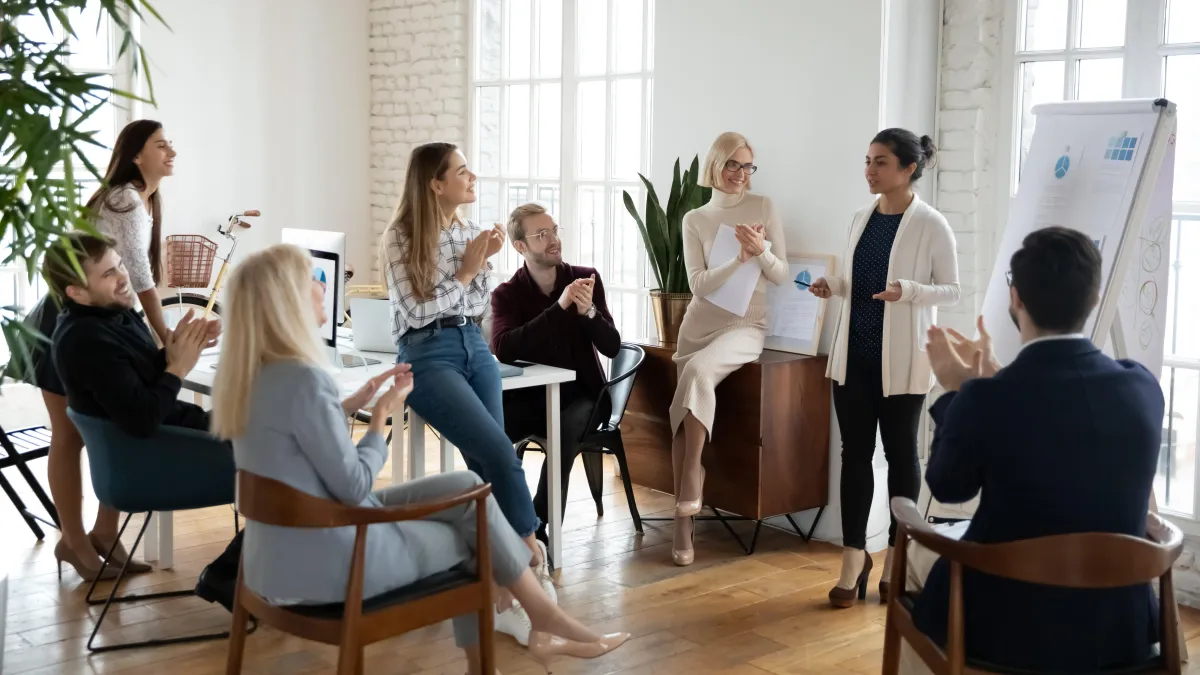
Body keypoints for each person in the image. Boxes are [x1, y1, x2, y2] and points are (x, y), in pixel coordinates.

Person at [212, 244, 628, 675]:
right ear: (287, 302)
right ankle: (515, 642)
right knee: (477, 533)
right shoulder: (304, 379)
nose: (324, 287)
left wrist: (346, 404)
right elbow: (354, 486)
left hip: (272, 561)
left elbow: (293, 440)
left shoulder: (251, 376)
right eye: (313, 281)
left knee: (469, 487)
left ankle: (535, 622)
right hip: (335, 561)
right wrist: (379, 418)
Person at [907, 226, 1161, 673]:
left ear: (1016, 298)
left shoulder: (987, 400)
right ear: (1095, 297)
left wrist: (955, 393)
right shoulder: (1142, 386)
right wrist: (983, 387)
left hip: (1006, 630)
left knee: (911, 558)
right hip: (1121, 630)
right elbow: (1061, 416)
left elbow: (947, 486)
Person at [379, 141, 551, 643]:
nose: (472, 176)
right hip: (426, 354)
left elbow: (475, 304)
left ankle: (501, 597)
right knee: (498, 452)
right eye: (461, 171)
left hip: (474, 346)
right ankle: (530, 556)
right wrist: (469, 270)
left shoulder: (468, 232)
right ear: (435, 184)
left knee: (487, 464)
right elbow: (415, 311)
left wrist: (474, 269)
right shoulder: (400, 237)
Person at [19, 119, 183, 582]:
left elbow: (136, 275)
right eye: (161, 145)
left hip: (98, 319)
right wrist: (163, 335)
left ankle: (104, 533)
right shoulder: (125, 199)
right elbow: (140, 277)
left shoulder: (142, 200)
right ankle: (73, 541)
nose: (171, 152)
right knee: (70, 435)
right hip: (68, 321)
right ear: (136, 155)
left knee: (106, 428)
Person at [807, 128, 959, 607]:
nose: (869, 171)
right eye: (868, 161)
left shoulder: (931, 223)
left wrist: (908, 291)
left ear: (908, 169)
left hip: (903, 363)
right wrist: (833, 285)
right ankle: (854, 559)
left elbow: (952, 290)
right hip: (853, 358)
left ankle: (897, 557)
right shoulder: (861, 218)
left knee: (901, 458)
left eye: (880, 162)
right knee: (854, 456)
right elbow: (858, 282)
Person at [42, 233, 221, 582]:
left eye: (120, 265)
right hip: (166, 453)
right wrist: (177, 369)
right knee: (283, 441)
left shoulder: (114, 316)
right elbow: (142, 419)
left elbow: (135, 376)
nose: (124, 277)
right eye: (108, 273)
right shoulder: (88, 340)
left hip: (172, 436)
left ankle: (103, 536)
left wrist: (183, 346)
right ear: (77, 293)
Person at [668, 131, 789, 567]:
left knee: (697, 374)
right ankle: (683, 519)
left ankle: (692, 476)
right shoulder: (695, 218)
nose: (740, 173)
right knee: (684, 404)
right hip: (699, 324)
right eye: (733, 164)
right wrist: (738, 259)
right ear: (715, 166)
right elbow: (698, 284)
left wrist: (760, 252)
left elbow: (781, 273)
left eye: (747, 165)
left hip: (746, 325)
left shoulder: (763, 206)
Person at [490, 202, 621, 546]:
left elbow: (612, 347)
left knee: (562, 430)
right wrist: (560, 307)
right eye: (541, 234)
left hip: (586, 398)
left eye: (554, 230)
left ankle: (536, 526)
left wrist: (588, 312)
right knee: (486, 430)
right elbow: (504, 347)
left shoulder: (586, 278)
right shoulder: (506, 294)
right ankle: (499, 517)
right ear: (520, 246)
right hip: (530, 399)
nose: (553, 240)